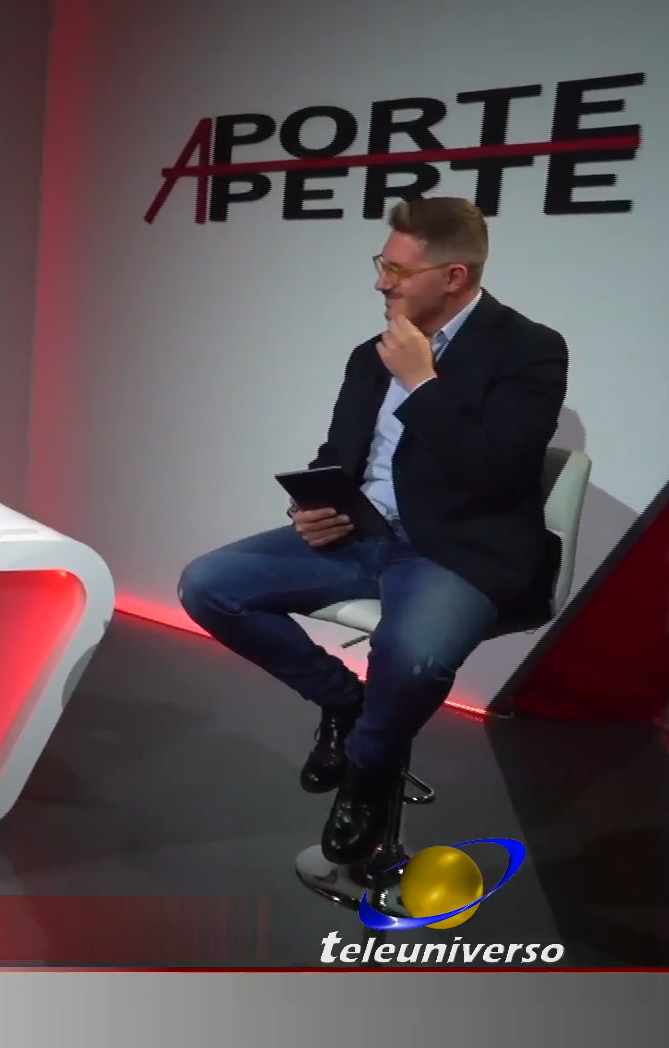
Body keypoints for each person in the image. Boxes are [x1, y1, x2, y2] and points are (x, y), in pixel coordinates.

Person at [175, 197, 567, 866]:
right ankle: (344, 701)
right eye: (380, 264)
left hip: (457, 547)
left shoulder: (528, 349)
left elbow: (497, 473)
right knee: (208, 584)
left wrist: (422, 383)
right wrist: (314, 503)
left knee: (412, 655)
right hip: (362, 533)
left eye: (398, 270)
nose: (381, 282)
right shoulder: (370, 355)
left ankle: (368, 769)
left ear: (453, 276)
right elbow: (339, 451)